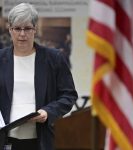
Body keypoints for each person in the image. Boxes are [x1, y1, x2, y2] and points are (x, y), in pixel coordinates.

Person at [0, 3, 78, 150]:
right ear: (10, 29)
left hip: (41, 141)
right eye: (17, 28)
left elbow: (69, 95)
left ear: (35, 29)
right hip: (5, 141)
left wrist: (48, 112)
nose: (22, 34)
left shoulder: (54, 58)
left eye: (27, 28)